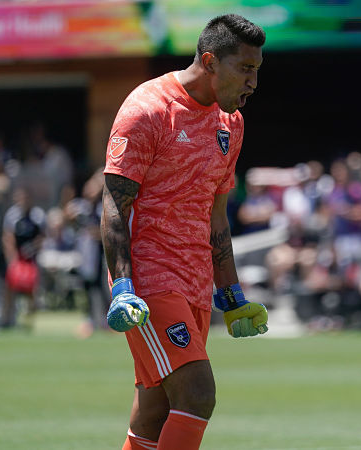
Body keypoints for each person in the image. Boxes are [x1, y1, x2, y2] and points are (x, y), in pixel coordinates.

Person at [100, 14, 268, 450]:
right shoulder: (148, 109)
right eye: (245, 70)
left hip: (195, 282)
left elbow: (217, 217)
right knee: (197, 392)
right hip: (150, 282)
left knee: (155, 412)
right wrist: (122, 286)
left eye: (257, 71)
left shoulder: (231, 125)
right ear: (211, 61)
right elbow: (114, 206)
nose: (253, 83)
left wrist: (231, 296)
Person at [1, 187, 44, 328]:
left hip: (32, 259)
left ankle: (28, 321)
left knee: (31, 289)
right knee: (9, 287)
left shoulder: (37, 215)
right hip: (17, 258)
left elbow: (43, 236)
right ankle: (6, 319)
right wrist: (12, 261)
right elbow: (8, 238)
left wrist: (33, 247)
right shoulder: (12, 215)